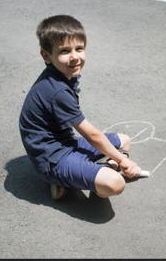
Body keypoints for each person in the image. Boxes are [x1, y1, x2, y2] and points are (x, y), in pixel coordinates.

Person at [19, 15, 141, 200]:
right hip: (52, 159)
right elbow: (91, 135)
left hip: (66, 142)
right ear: (46, 55)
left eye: (79, 49)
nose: (75, 57)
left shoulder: (64, 73)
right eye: (65, 51)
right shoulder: (56, 91)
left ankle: (90, 172)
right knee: (115, 184)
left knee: (124, 140)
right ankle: (60, 180)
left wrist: (117, 158)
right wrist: (121, 160)